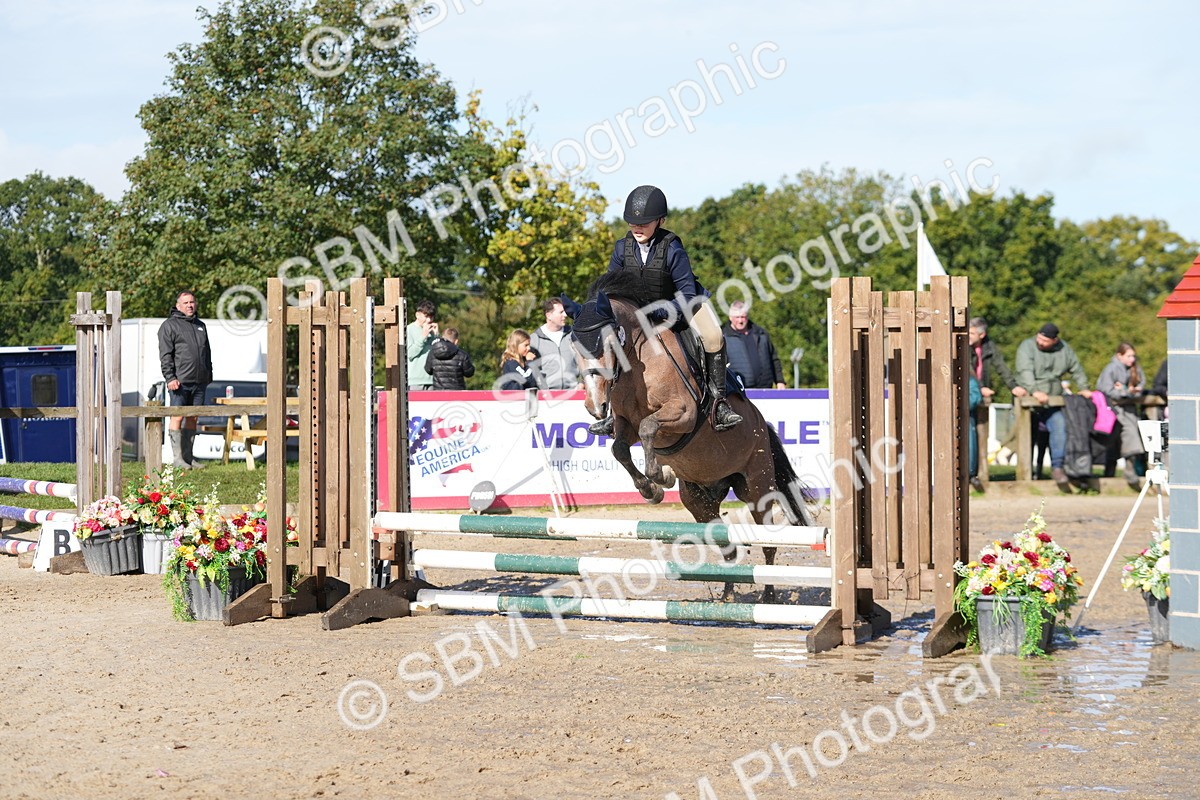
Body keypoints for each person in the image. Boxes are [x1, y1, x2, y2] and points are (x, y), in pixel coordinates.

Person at [588, 185, 742, 435]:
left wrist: (660, 312)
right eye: (632, 223)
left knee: (713, 338)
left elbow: (688, 295)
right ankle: (615, 413)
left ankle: (719, 402)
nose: (637, 228)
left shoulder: (672, 249)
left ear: (660, 221)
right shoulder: (621, 248)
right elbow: (610, 289)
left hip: (682, 305)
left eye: (645, 223)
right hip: (640, 313)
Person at [1014, 323, 1092, 491]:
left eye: (1045, 340)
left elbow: (1076, 368)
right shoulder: (1027, 347)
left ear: (1055, 340)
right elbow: (1024, 371)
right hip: (1029, 401)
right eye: (1039, 338)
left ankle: (1058, 467)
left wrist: (1084, 387)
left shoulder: (1064, 350)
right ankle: (1025, 474)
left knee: (1060, 426)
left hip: (1052, 402)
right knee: (1027, 437)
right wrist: (1034, 391)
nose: (1040, 342)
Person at [158, 290, 213, 469]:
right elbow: (165, 355)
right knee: (177, 416)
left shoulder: (200, 325)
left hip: (200, 381)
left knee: (193, 417)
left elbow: (207, 352)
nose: (190, 305)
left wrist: (208, 373)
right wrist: (170, 377)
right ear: (178, 306)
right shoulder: (169, 325)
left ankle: (189, 458)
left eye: (192, 302)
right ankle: (178, 459)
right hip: (180, 382)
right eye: (186, 303)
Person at [1096, 342, 1146, 489]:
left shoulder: (1135, 369)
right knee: (1112, 443)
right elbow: (1106, 389)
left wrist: (1130, 390)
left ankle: (1130, 471)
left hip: (1128, 411)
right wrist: (1126, 391)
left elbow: (1141, 385)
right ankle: (1108, 473)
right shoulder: (1111, 369)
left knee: (1132, 438)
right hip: (1113, 410)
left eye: (1133, 356)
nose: (1132, 359)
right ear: (1119, 355)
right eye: (1129, 356)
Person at [722, 301, 786, 389]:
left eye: (743, 317)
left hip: (765, 388)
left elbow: (774, 359)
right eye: (737, 317)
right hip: (739, 392)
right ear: (730, 317)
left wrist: (780, 381)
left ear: (747, 316)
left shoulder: (761, 334)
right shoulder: (723, 337)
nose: (740, 321)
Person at [529, 297, 580, 391]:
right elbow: (530, 369)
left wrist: (582, 383)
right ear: (549, 315)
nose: (565, 315)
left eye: (564, 311)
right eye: (561, 312)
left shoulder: (574, 335)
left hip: (575, 394)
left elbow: (585, 360)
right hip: (547, 396)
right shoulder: (534, 339)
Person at [968, 317, 1022, 401]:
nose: (968, 336)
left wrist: (1013, 386)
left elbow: (1001, 366)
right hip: (970, 388)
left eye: (972, 333)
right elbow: (968, 368)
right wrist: (980, 387)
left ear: (982, 335)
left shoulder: (989, 347)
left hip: (981, 388)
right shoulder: (964, 346)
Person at [406, 300, 438, 389]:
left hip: (432, 380)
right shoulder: (409, 330)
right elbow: (410, 354)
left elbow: (438, 354)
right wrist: (423, 336)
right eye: (426, 316)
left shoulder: (433, 331)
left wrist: (436, 337)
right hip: (415, 381)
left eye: (431, 317)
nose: (429, 320)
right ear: (417, 315)